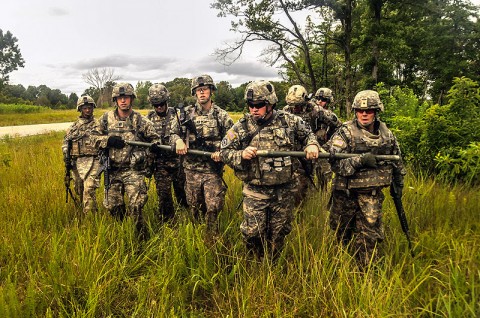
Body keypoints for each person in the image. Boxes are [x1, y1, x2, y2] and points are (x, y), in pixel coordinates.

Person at [220, 80, 321, 261]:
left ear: (270, 104)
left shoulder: (289, 121)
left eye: (259, 105)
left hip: (284, 191)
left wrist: (312, 145)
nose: (254, 109)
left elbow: (308, 135)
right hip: (255, 191)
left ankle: (273, 266)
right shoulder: (241, 127)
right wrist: (241, 154)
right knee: (253, 233)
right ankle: (254, 265)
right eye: (250, 105)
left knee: (279, 233)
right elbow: (224, 151)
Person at [328, 90, 406, 268]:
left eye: (369, 110)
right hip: (345, 194)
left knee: (369, 238)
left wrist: (398, 182)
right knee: (342, 235)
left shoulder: (387, 135)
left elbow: (397, 160)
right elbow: (334, 163)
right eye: (360, 110)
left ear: (376, 111)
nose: (364, 114)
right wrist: (359, 161)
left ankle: (365, 276)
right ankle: (340, 270)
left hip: (371, 195)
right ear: (355, 111)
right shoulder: (345, 133)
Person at [92, 82, 161, 239]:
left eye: (126, 98)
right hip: (112, 169)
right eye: (120, 98)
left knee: (136, 205)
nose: (123, 101)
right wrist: (107, 141)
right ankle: (123, 232)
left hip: (133, 170)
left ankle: (141, 238)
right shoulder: (105, 119)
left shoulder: (140, 121)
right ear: (115, 100)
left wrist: (152, 149)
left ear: (132, 99)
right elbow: (92, 139)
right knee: (112, 206)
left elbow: (155, 139)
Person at [170, 74, 233, 237]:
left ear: (211, 91)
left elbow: (233, 138)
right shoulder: (185, 114)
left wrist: (222, 152)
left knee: (213, 207)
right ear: (195, 93)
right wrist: (177, 141)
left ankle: (212, 237)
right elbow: (172, 133)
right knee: (195, 207)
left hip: (212, 170)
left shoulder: (222, 115)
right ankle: (196, 236)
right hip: (191, 170)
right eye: (199, 90)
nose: (202, 92)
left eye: (205, 89)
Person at [146, 83, 187, 223]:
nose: (159, 107)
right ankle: (169, 224)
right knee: (164, 198)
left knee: (183, 195)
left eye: (162, 103)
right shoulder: (148, 118)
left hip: (179, 163)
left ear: (166, 100)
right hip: (160, 165)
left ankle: (187, 221)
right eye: (156, 104)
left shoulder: (177, 115)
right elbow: (144, 139)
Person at [62, 95, 100, 214]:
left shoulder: (99, 125)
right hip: (77, 162)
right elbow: (65, 144)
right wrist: (67, 157)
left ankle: (90, 219)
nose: (88, 110)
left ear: (93, 108)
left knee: (89, 188)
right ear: (80, 109)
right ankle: (86, 211)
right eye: (84, 108)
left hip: (94, 160)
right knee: (79, 189)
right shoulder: (73, 128)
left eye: (89, 107)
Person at [283, 84, 319, 204]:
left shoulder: (315, 110)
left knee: (306, 181)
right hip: (291, 153)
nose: (295, 108)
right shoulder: (285, 111)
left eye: (298, 106)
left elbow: (337, 125)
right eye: (292, 105)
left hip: (308, 152)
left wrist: (321, 137)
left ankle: (305, 207)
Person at [312, 87, 342, 189]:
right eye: (318, 98)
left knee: (326, 175)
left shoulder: (328, 115)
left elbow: (339, 128)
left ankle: (324, 194)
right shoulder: (310, 111)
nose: (319, 101)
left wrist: (329, 140)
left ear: (328, 101)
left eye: (323, 99)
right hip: (308, 148)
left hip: (323, 148)